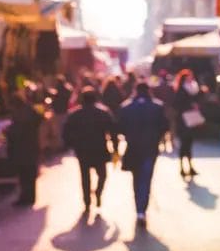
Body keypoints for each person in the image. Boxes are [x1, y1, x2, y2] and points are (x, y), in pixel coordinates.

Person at [117, 82, 169, 227]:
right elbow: (165, 126)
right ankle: (142, 210)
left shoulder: (126, 107)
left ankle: (138, 208)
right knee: (146, 179)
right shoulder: (157, 107)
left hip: (133, 148)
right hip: (150, 147)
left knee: (136, 179)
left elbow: (120, 127)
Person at [62, 87, 117, 211]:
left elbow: (65, 132)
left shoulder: (74, 114)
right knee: (102, 175)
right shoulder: (103, 112)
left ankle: (87, 202)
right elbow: (113, 130)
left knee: (85, 177)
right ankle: (97, 193)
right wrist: (115, 148)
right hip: (100, 149)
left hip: (82, 150)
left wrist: (71, 145)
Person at [6, 89, 44, 207]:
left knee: (24, 174)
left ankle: (24, 197)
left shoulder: (18, 115)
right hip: (32, 145)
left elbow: (15, 132)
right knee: (30, 174)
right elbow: (39, 119)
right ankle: (31, 197)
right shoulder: (31, 109)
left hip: (21, 148)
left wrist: (7, 132)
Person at [173, 69, 201, 178]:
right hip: (183, 121)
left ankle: (189, 167)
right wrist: (190, 106)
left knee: (189, 144)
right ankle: (182, 168)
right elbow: (177, 105)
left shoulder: (193, 89)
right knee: (184, 145)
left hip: (190, 120)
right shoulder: (181, 90)